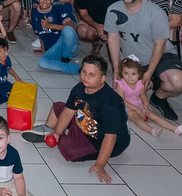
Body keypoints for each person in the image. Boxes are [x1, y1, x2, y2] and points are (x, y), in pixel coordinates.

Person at [28, 55, 129, 183]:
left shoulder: (110, 103)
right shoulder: (79, 88)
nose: (86, 77)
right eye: (84, 72)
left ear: (103, 78)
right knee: (59, 106)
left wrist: (100, 165)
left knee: (69, 152)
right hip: (86, 120)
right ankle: (52, 129)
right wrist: (58, 132)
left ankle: (64, 133)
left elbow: (111, 137)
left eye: (91, 74)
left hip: (101, 140)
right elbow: (67, 112)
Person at [106, 0, 182, 121]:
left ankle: (159, 97)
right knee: (115, 95)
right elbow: (113, 39)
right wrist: (117, 68)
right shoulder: (112, 10)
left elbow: (159, 46)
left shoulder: (155, 13)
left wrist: (149, 72)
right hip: (132, 60)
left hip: (160, 55)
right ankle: (153, 82)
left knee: (177, 81)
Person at [115, 57, 182, 137]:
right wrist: (136, 109)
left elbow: (142, 95)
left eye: (133, 74)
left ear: (139, 74)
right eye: (126, 73)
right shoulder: (121, 84)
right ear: (121, 73)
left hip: (137, 104)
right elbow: (121, 100)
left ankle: (175, 128)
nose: (130, 77)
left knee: (154, 116)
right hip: (123, 107)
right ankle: (152, 130)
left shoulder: (140, 83)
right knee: (136, 117)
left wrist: (146, 105)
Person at [31, 0, 81, 73]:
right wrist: (43, 50)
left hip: (68, 46)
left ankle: (65, 58)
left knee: (68, 29)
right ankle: (78, 69)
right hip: (54, 50)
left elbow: (70, 27)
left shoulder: (59, 8)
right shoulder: (34, 12)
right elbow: (40, 33)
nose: (45, 2)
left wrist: (50, 26)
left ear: (52, 0)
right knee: (42, 62)